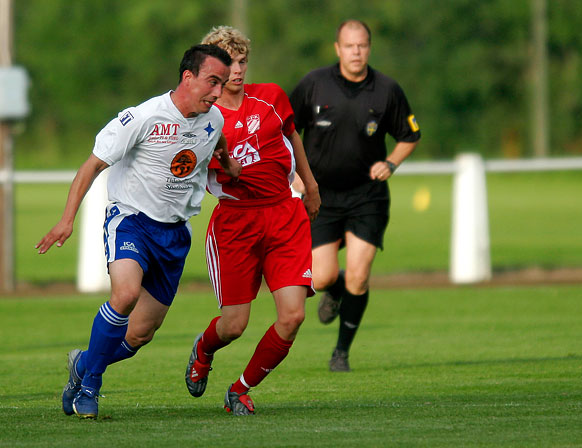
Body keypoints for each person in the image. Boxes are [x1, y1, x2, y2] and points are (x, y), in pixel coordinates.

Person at [35, 44, 240, 419]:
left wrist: (228, 162)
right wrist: (67, 219)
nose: (217, 92)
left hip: (175, 234)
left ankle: (82, 365)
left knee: (140, 334)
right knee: (125, 294)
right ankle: (91, 384)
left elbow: (218, 143)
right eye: (213, 82)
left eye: (222, 84)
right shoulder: (142, 118)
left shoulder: (215, 121)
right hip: (131, 219)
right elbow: (91, 166)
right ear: (188, 77)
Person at [184, 26, 320, 416]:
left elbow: (293, 137)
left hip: (284, 214)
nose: (237, 70)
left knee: (293, 316)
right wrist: (229, 165)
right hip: (237, 223)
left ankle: (240, 389)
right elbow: (211, 171)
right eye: (229, 63)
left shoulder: (273, 97)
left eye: (242, 61)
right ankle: (204, 349)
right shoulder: (203, 120)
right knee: (234, 325)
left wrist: (310, 186)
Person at [289, 20, 421, 372]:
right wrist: (296, 175)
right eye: (349, 46)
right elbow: (284, 130)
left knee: (359, 277)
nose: (356, 52)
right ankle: (334, 290)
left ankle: (341, 353)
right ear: (337, 49)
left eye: (362, 45)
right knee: (320, 278)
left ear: (369, 48)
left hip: (367, 196)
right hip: (321, 197)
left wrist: (390, 163)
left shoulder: (387, 90)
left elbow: (409, 135)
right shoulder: (314, 85)